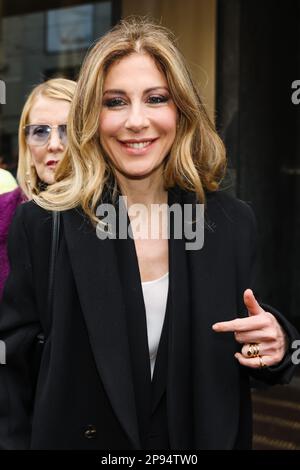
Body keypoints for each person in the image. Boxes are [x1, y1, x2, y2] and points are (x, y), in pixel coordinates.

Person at [0, 17, 298, 450]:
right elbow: (11, 374)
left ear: (181, 110)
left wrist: (278, 343)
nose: (136, 121)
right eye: (115, 102)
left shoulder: (231, 223)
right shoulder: (45, 225)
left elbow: (247, 335)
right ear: (91, 115)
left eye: (156, 98)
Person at [0, 78, 76, 300]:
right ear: (26, 145)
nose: (54, 144)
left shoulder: (115, 215)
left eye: (67, 130)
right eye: (40, 131)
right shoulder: (5, 214)